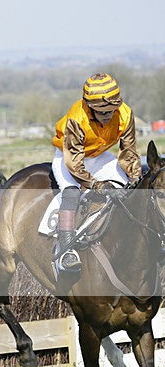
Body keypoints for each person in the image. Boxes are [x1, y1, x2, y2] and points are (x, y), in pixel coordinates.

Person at [50, 73, 141, 274]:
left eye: (112, 110)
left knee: (129, 188)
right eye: (102, 111)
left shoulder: (125, 114)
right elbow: (74, 164)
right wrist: (98, 185)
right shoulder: (77, 117)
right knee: (72, 192)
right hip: (70, 157)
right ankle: (66, 249)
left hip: (100, 156)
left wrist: (136, 177)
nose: (108, 115)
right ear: (90, 107)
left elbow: (128, 152)